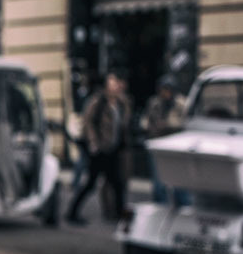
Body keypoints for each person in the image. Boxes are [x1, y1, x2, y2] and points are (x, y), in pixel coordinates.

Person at [66, 69, 132, 225]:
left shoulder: (121, 103)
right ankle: (72, 212)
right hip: (100, 150)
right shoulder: (98, 101)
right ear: (106, 86)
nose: (115, 86)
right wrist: (94, 143)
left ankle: (118, 213)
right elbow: (89, 123)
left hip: (114, 149)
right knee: (91, 183)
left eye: (116, 83)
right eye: (112, 83)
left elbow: (124, 123)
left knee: (117, 183)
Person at [141, 74, 188, 206]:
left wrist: (167, 124)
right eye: (162, 89)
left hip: (175, 147)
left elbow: (186, 123)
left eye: (167, 90)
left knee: (180, 184)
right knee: (158, 185)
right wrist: (148, 126)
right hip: (157, 145)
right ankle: (161, 209)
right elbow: (146, 119)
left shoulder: (182, 104)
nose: (165, 93)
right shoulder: (154, 103)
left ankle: (183, 209)